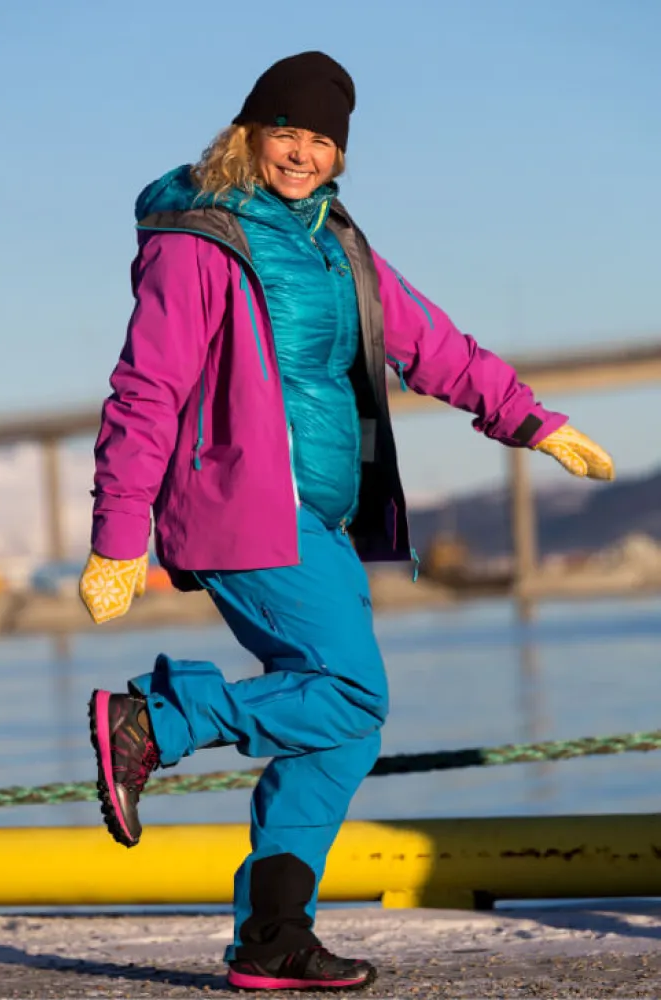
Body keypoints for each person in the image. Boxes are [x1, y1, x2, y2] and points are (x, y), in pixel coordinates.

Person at [79, 51, 615, 992]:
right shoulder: (199, 240)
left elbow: (428, 340)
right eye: (287, 131)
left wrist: (531, 419)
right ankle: (158, 717)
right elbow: (146, 389)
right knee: (351, 692)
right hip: (239, 505)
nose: (302, 153)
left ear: (338, 157)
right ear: (247, 134)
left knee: (341, 728)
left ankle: (272, 936)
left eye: (322, 141)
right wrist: (119, 532)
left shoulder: (338, 242)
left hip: (319, 515)